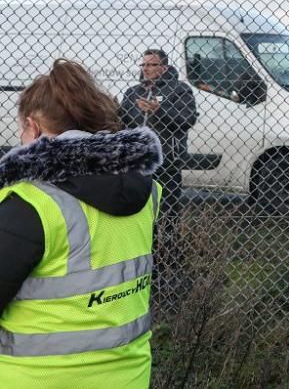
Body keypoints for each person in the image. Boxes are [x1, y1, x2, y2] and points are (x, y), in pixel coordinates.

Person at [0, 59, 162, 387]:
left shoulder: (31, 204)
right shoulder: (147, 193)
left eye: (21, 129)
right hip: (128, 377)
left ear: (33, 126)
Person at [119, 49, 197, 235]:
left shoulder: (179, 89)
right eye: (143, 64)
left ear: (164, 67)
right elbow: (123, 123)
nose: (146, 68)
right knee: (139, 211)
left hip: (166, 161)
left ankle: (167, 255)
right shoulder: (133, 92)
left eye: (151, 64)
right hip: (136, 163)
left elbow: (187, 120)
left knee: (166, 213)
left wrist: (159, 112)